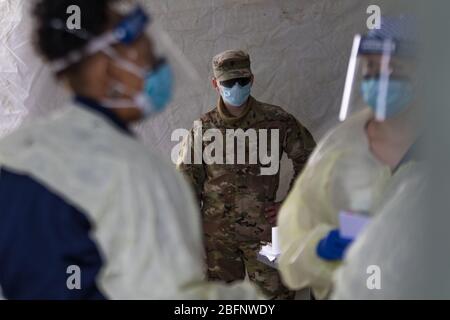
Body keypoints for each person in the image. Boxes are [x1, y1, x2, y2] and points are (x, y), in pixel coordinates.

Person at [0, 0, 260, 300]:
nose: (156, 64)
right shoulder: (137, 172)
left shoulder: (15, 154)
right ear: (107, 68)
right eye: (144, 51)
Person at [277, 16, 420, 299]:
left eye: (394, 69)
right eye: (371, 68)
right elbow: (292, 245)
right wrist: (320, 247)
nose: (380, 81)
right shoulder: (339, 150)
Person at [177, 49, 316, 299]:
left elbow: (311, 161)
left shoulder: (276, 121)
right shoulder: (204, 128)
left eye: (242, 80)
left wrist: (291, 203)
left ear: (252, 79)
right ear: (215, 84)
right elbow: (187, 180)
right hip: (217, 238)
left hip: (264, 233)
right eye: (229, 82)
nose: (236, 86)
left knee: (276, 295)